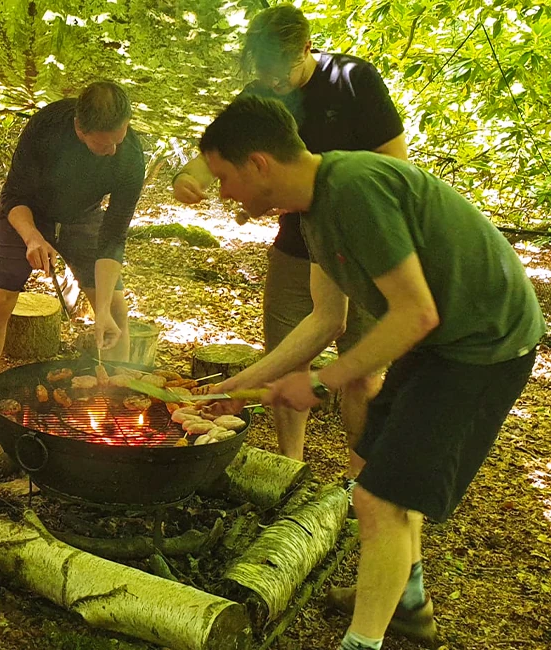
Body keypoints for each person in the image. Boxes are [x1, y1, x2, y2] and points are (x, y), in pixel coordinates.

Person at [195, 95, 543, 650]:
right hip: (439, 339)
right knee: (373, 470)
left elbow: (416, 312)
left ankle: (363, 642)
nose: (224, 194)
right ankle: (405, 603)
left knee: (379, 498)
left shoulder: (354, 188)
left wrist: (321, 383)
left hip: (484, 342)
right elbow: (325, 321)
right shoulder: (311, 214)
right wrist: (234, 387)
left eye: (224, 177)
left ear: (258, 163)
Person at [172, 5, 407, 490]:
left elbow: (395, 165)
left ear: (305, 48)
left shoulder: (353, 81)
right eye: (263, 74)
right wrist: (189, 178)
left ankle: (359, 479)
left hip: (362, 243)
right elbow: (216, 149)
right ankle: (291, 469)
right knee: (285, 358)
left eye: (280, 73)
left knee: (362, 369)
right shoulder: (259, 92)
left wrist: (319, 194)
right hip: (297, 245)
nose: (273, 83)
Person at [0, 81, 146, 447]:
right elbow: (15, 197)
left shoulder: (130, 154)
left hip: (84, 217)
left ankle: (114, 402)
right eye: (105, 143)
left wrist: (100, 308)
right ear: (79, 129)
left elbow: (113, 236)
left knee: (115, 308)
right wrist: (33, 238)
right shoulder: (46, 128)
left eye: (120, 137)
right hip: (28, 213)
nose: (114, 149)